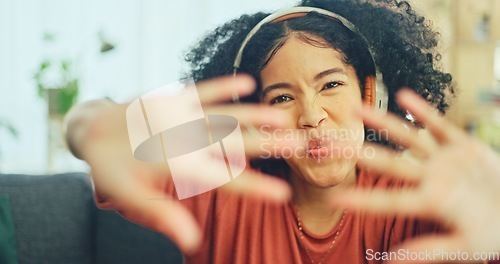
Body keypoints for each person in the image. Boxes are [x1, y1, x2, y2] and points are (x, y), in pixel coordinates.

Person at [64, 0, 500, 263]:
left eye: (330, 84)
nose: (311, 116)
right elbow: (99, 141)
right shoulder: (221, 183)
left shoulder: (410, 199)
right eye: (282, 98)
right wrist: (91, 127)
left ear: (371, 94)